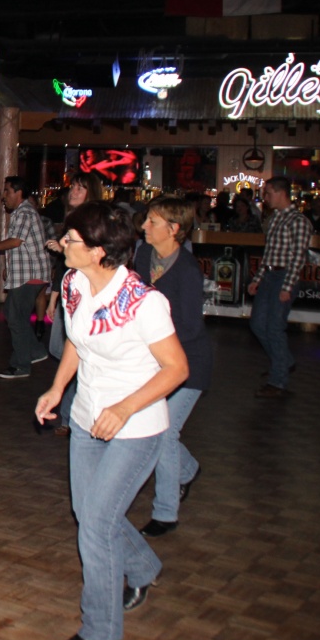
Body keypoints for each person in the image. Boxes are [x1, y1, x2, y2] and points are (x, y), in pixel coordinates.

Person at [34, 202, 189, 640]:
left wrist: (124, 407)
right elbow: (77, 345)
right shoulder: (72, 284)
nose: (63, 244)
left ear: (100, 250)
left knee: (97, 524)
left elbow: (176, 368)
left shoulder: (144, 302)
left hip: (136, 426)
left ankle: (99, 628)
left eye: (71, 240)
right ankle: (143, 568)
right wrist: (57, 389)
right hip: (86, 419)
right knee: (90, 513)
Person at [134, 197, 212, 538]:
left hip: (188, 364)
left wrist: (152, 334)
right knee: (153, 425)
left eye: (152, 221)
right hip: (155, 359)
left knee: (164, 432)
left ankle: (166, 512)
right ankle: (188, 468)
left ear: (174, 228)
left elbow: (190, 328)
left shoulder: (187, 271)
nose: (144, 226)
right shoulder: (141, 256)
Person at [44, 171, 104, 436]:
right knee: (60, 348)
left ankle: (72, 415)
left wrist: (64, 248)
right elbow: (63, 269)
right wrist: (54, 299)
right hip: (70, 291)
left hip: (90, 293)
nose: (74, 192)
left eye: (81, 188)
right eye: (73, 188)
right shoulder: (71, 220)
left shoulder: (97, 221)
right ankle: (74, 409)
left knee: (77, 351)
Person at [0, 176, 52, 380]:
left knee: (16, 318)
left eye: (7, 191)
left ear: (19, 193)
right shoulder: (23, 212)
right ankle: (35, 351)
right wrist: (9, 268)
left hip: (31, 274)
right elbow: (22, 245)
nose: (3, 196)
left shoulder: (25, 212)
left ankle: (21, 365)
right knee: (13, 314)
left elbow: (16, 241)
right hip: (28, 273)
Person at [248, 177, 312, 399]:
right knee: (257, 324)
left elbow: (298, 257)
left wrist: (288, 285)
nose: (265, 198)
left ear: (281, 193)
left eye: (268, 193)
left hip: (284, 276)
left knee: (274, 327)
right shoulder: (275, 218)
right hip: (270, 274)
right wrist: (258, 278)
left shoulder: (298, 221)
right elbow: (269, 254)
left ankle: (278, 380)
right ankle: (283, 361)